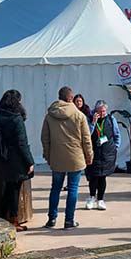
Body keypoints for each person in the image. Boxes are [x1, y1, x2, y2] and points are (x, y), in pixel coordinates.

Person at [42, 86, 93, 230]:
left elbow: (44, 138)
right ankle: (69, 220)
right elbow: (86, 139)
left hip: (57, 157)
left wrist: (48, 155)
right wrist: (89, 156)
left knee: (55, 189)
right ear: (71, 98)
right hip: (75, 157)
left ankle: (52, 219)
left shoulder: (49, 115)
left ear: (59, 97)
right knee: (73, 189)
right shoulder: (79, 116)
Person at [0, 90, 35, 232]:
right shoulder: (16, 119)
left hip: (1, 155)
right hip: (16, 159)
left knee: (8, 188)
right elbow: (21, 143)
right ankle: (14, 220)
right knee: (14, 189)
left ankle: (2, 215)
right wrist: (30, 161)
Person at [85, 100, 120, 210]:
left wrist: (115, 147)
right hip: (94, 152)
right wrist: (93, 123)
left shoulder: (110, 119)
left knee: (102, 177)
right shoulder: (89, 119)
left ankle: (100, 199)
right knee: (93, 176)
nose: (101, 113)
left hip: (107, 152)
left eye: (103, 111)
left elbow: (116, 134)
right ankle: (91, 197)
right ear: (95, 111)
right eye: (99, 111)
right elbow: (87, 134)